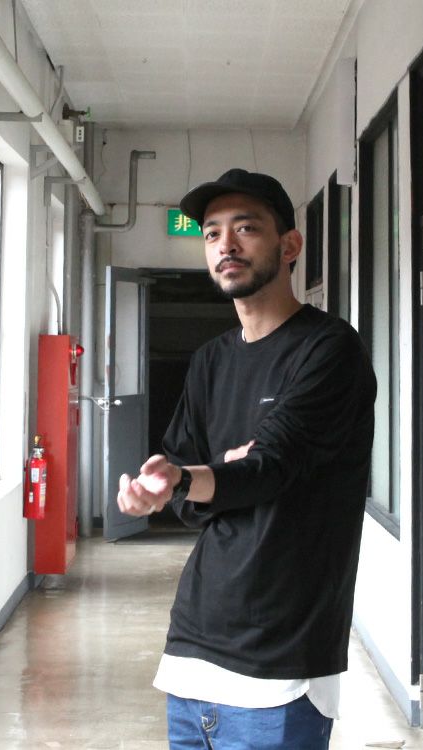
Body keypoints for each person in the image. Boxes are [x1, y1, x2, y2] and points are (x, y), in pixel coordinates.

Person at [117, 168, 376, 749]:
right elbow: (191, 496)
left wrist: (202, 477)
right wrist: (180, 482)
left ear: (289, 245)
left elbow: (270, 469)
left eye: (246, 228)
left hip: (279, 661)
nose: (225, 245)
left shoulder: (329, 350)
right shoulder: (210, 361)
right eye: (211, 234)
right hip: (193, 647)